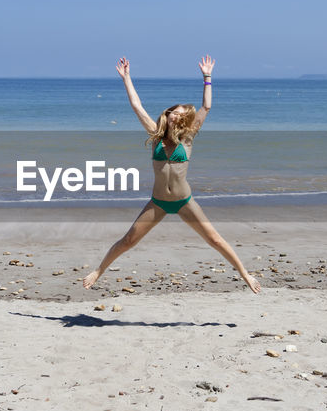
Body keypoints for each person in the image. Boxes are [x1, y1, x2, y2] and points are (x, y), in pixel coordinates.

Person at [82, 55, 261, 293]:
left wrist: (207, 77)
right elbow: (137, 106)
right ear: (167, 115)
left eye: (179, 114)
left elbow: (206, 106)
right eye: (172, 112)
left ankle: (245, 273)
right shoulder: (155, 134)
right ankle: (98, 270)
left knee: (214, 239)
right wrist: (126, 78)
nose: (174, 116)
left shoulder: (188, 137)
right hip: (157, 203)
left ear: (184, 119)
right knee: (128, 241)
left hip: (184, 202)